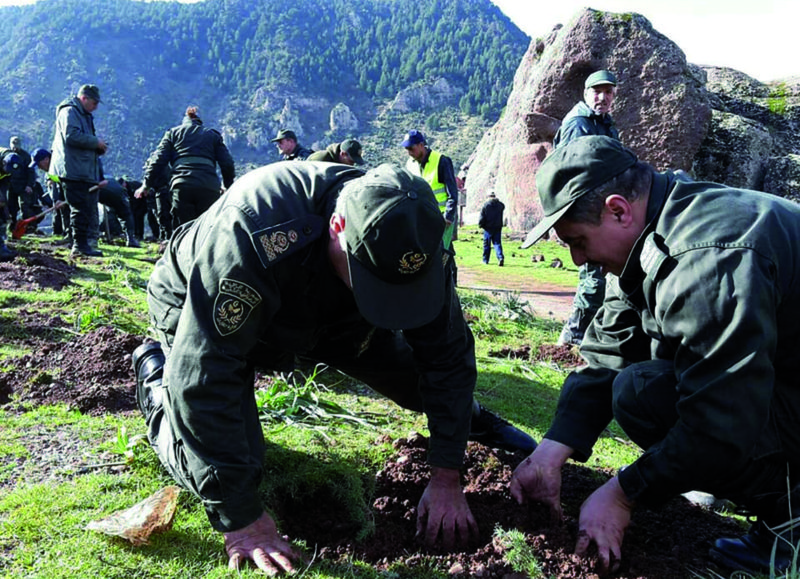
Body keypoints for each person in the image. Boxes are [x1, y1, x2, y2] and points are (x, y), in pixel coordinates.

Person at [132, 162, 537, 575]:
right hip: (199, 303)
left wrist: (447, 471)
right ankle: (154, 380)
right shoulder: (257, 230)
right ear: (337, 226)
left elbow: (446, 358)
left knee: (419, 383)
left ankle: (479, 424)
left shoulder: (415, 234)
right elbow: (205, 374)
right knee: (234, 460)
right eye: (373, 279)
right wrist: (242, 520)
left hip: (332, 314)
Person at [513, 136, 800, 575]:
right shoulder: (657, 226)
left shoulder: (705, 258)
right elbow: (611, 344)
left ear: (617, 210)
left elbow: (720, 421)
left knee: (643, 394)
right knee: (637, 387)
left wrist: (624, 492)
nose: (576, 259)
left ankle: (793, 521)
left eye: (577, 240)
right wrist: (550, 452)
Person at [553, 70, 620, 347]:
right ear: (585, 92)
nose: (602, 97)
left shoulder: (605, 124)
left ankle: (591, 331)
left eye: (608, 92)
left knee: (604, 271)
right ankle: (574, 335)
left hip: (602, 208)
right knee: (594, 272)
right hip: (585, 209)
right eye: (597, 91)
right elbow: (572, 172)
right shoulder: (579, 123)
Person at [137, 106, 235, 228]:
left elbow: (157, 161)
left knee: (184, 231)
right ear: (200, 121)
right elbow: (227, 164)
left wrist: (146, 185)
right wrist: (227, 186)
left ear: (184, 120)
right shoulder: (212, 136)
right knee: (209, 229)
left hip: (182, 186)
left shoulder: (173, 134)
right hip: (208, 186)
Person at [50, 84, 108, 257]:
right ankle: (79, 246)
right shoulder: (69, 112)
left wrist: (98, 147)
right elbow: (71, 136)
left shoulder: (83, 115)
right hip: (72, 169)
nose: (96, 107)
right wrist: (95, 142)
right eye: (94, 102)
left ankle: (81, 244)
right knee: (79, 208)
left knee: (83, 208)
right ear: (84, 98)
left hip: (81, 169)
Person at [401, 130, 458, 250]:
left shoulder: (441, 161)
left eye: (411, 148)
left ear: (421, 145)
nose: (409, 153)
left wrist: (448, 216)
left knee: (441, 254)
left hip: (440, 217)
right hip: (420, 218)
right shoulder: (410, 164)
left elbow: (452, 193)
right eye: (406, 149)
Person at [30, 148, 71, 245]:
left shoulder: (59, 166)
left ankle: (71, 237)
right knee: (58, 219)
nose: (39, 168)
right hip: (58, 202)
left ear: (46, 159)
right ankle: (60, 235)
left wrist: (61, 199)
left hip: (69, 198)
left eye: (39, 164)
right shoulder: (49, 172)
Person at [4, 136, 35, 232]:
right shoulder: (7, 156)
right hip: (11, 185)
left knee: (25, 206)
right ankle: (12, 227)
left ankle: (28, 227)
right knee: (11, 207)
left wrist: (29, 185)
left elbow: (31, 172)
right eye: (13, 145)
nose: (15, 148)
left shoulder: (26, 156)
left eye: (17, 145)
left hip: (23, 185)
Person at [478, 191, 504, 266]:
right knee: (497, 243)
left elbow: (482, 217)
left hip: (488, 228)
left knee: (487, 244)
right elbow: (503, 206)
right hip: (498, 227)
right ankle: (500, 257)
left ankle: (485, 260)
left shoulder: (486, 205)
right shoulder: (500, 205)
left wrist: (481, 225)